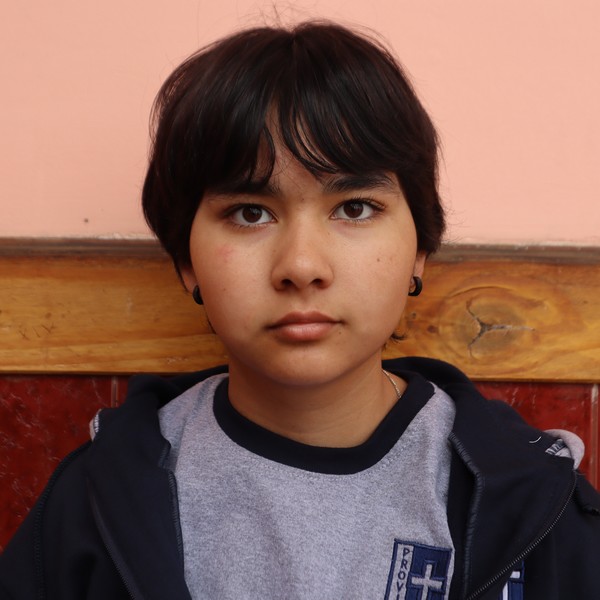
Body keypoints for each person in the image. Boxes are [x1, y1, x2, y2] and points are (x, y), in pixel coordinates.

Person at [1, 21, 599, 600]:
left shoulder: (533, 504)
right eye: (250, 213)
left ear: (420, 247)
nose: (302, 265)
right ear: (187, 262)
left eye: (355, 208)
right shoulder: (96, 505)